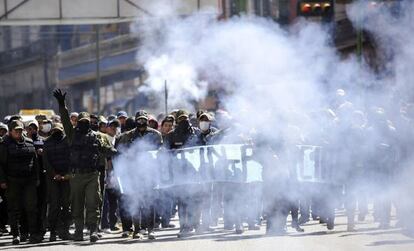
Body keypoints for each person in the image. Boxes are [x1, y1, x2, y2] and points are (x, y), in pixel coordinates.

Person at [53, 89, 117, 243]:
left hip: (92, 175)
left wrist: (116, 152)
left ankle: (93, 231)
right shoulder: (71, 134)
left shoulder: (96, 136)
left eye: (86, 122)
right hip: (76, 175)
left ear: (90, 123)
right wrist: (62, 104)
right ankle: (79, 231)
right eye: (81, 122)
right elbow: (65, 119)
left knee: (93, 203)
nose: (83, 124)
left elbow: (104, 149)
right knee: (76, 205)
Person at [115, 110, 162, 240]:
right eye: (139, 120)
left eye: (144, 120)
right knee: (135, 202)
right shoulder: (127, 136)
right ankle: (137, 230)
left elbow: (161, 153)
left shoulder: (155, 135)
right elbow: (119, 151)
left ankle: (151, 230)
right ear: (136, 121)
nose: (141, 122)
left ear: (147, 120)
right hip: (133, 173)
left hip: (149, 173)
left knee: (150, 202)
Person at [0, 120, 42, 244]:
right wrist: (2, 180)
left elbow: (35, 163)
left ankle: (33, 234)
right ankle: (15, 235)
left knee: (31, 207)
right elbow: (0, 165)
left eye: (20, 130)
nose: (18, 133)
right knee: (14, 209)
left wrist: (37, 178)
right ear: (11, 131)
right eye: (16, 131)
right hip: (12, 181)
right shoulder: (4, 144)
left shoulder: (29, 142)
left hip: (29, 181)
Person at [163, 109, 202, 237]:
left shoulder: (196, 133)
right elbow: (165, 154)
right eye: (181, 119)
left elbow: (204, 150)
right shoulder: (171, 135)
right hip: (178, 173)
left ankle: (196, 224)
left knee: (195, 199)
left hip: (194, 172)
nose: (183, 121)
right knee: (182, 201)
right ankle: (184, 226)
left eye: (185, 119)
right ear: (177, 120)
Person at [43, 123, 72, 241]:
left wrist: (66, 176)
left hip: (66, 177)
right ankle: (53, 232)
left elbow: (71, 158)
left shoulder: (67, 141)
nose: (57, 133)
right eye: (54, 131)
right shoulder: (47, 142)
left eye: (58, 131)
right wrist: (54, 175)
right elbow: (46, 162)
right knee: (54, 206)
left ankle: (65, 231)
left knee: (66, 205)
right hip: (53, 178)